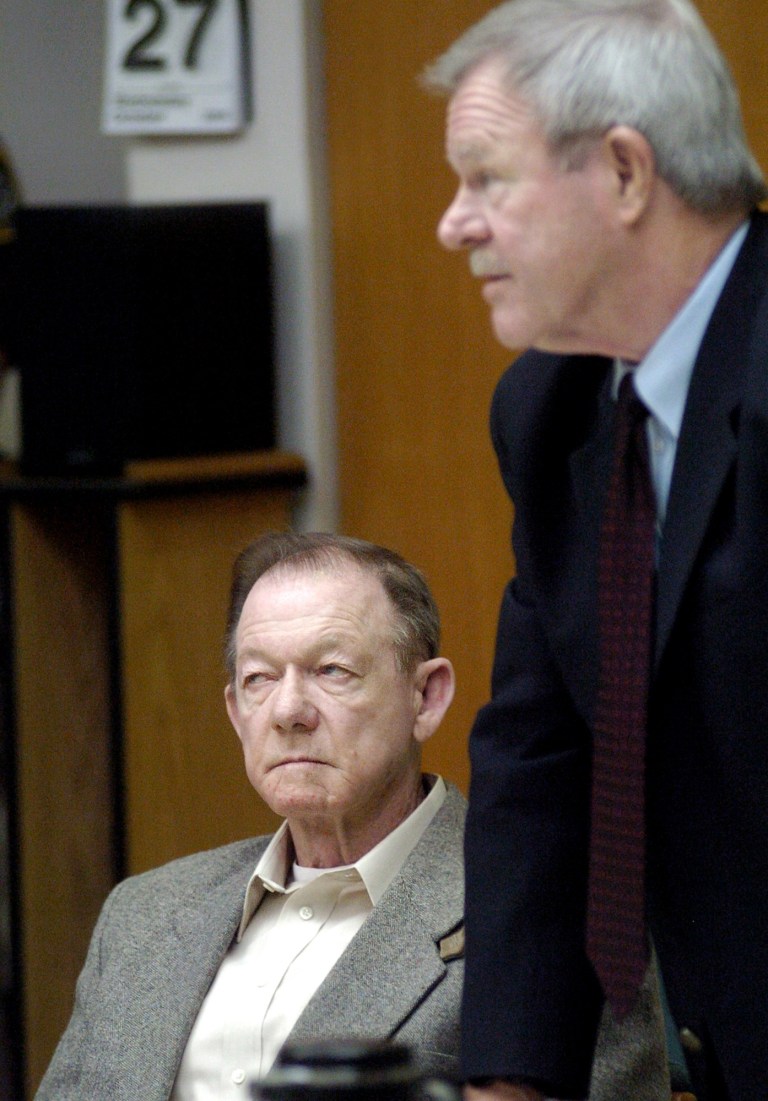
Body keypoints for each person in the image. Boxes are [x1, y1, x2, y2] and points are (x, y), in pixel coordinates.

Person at [427, 2, 768, 1100]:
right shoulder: (550, 407)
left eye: (487, 179)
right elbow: (540, 759)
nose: (453, 223)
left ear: (625, 173)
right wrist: (509, 1080)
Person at [36, 530, 668, 1101]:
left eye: (330, 671)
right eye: (259, 679)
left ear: (426, 697)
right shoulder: (142, 917)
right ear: (235, 713)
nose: (288, 711)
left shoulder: (557, 914)